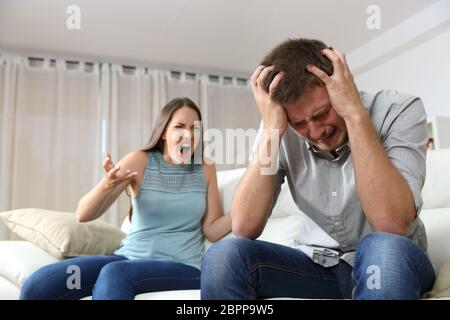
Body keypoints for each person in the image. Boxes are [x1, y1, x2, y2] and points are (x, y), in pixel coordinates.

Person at [201, 38, 435, 300]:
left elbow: (390, 224)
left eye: (322, 113)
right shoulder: (278, 126)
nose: (316, 132)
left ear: (342, 85)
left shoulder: (399, 110)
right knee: (224, 256)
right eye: (299, 123)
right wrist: (271, 132)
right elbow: (244, 226)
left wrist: (354, 114)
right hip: (316, 269)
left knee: (383, 248)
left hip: (388, 262)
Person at [20, 97, 231, 300]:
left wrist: (246, 210)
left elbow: (211, 228)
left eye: (195, 128)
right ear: (164, 132)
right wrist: (107, 185)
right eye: (180, 126)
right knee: (38, 285)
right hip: (128, 258)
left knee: (116, 274)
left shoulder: (205, 168)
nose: (188, 134)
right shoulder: (141, 161)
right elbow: (83, 214)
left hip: (184, 267)